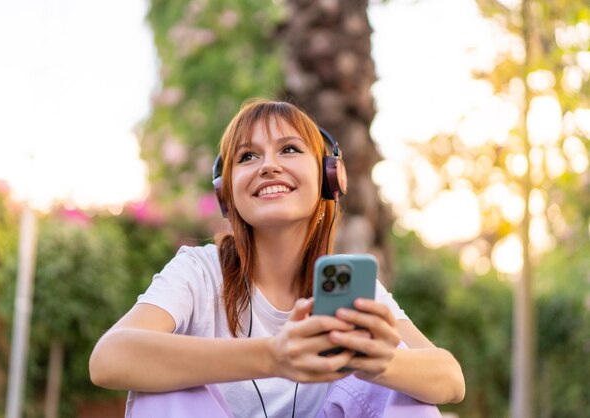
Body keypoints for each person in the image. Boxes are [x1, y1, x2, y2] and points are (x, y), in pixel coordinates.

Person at [89, 99, 465, 417]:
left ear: (328, 177)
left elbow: (450, 380)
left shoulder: (346, 285)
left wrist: (382, 363)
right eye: (248, 156)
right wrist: (274, 356)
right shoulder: (198, 271)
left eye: (289, 149)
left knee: (401, 379)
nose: (269, 165)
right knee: (162, 385)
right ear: (227, 193)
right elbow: (109, 358)